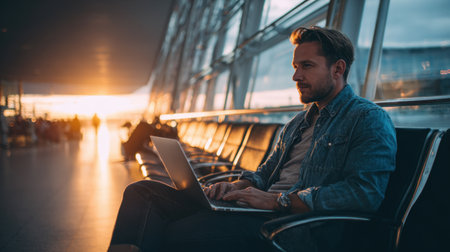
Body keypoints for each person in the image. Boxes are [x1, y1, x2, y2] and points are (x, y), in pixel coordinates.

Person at [108, 26, 396, 252]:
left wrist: (277, 202)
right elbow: (263, 175)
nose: (295, 75)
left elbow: (364, 194)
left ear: (338, 69)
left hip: (289, 227)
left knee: (175, 232)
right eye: (295, 66)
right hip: (258, 211)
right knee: (142, 192)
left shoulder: (367, 118)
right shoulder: (298, 122)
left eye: (306, 66)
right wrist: (236, 186)